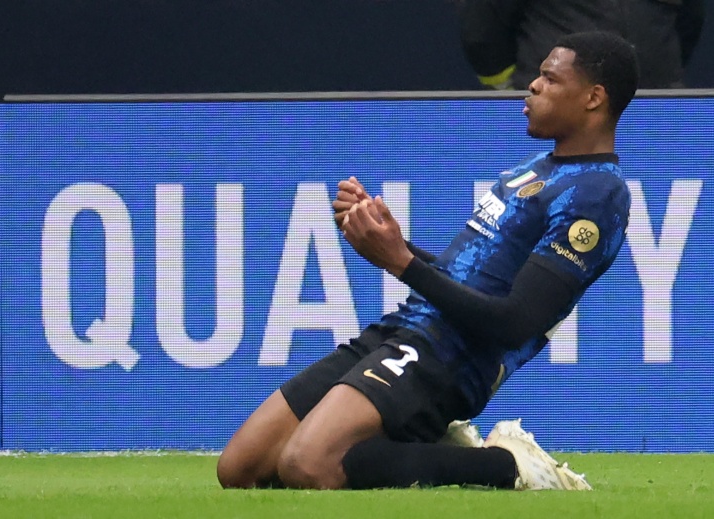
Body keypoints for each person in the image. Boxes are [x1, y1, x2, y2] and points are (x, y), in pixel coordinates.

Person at [216, 30, 639, 491]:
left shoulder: (598, 194)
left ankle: (507, 466)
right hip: (408, 327)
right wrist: (387, 239)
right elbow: (469, 277)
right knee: (240, 468)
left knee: (309, 464)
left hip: (452, 358)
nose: (533, 86)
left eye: (551, 79)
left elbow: (516, 322)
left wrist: (401, 262)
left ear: (594, 98)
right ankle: (427, 445)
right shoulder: (537, 167)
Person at [458, 0, 704, 90]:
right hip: (560, 118)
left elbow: (690, 22)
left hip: (656, 112)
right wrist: (518, 91)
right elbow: (481, 32)